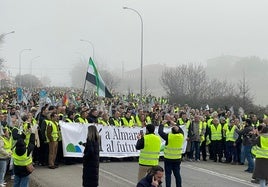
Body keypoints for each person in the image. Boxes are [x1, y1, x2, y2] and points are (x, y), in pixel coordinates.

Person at [158, 121, 184, 187]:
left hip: (168, 158)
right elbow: (181, 130)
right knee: (177, 174)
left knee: (168, 175)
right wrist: (175, 124)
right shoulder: (181, 136)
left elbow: (160, 132)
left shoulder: (169, 136)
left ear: (171, 131)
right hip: (177, 159)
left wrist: (162, 124)